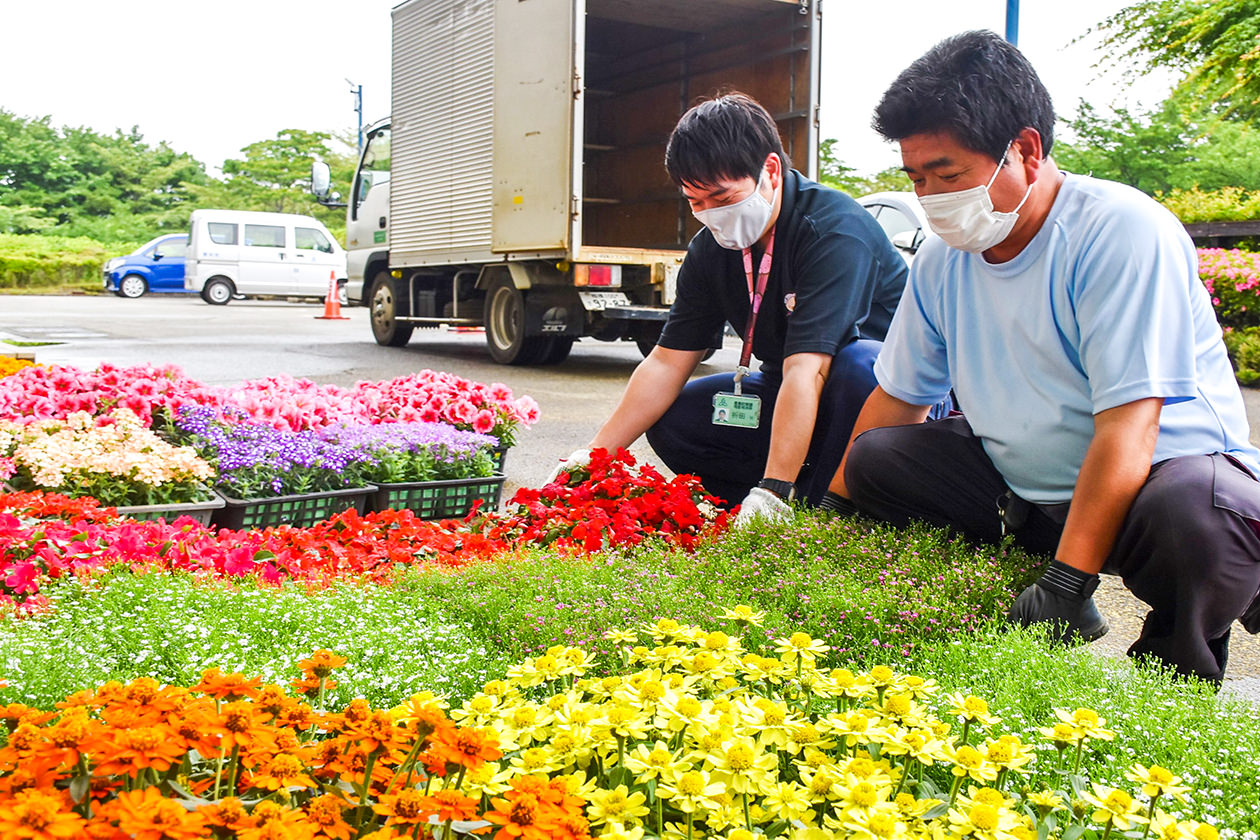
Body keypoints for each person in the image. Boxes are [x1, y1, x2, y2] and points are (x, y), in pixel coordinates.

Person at [827, 30, 1260, 684]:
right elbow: (897, 399)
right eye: (916, 178)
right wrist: (828, 519)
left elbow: (1129, 428)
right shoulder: (944, 261)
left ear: (1025, 150)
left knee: (1202, 519)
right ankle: (1002, 595)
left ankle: (1172, 676)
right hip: (1028, 488)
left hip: (1157, 484)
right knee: (878, 458)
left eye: (947, 174)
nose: (931, 199)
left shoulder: (1119, 235)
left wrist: (1066, 584)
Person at [553, 92, 914, 521]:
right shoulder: (711, 249)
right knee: (679, 414)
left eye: (724, 199)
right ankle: (753, 506)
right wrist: (594, 458)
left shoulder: (834, 231)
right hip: (788, 389)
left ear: (771, 171)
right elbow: (667, 362)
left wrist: (775, 487)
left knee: (860, 363)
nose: (711, 215)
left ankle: (823, 510)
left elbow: (810, 368)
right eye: (695, 202)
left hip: (874, 403)